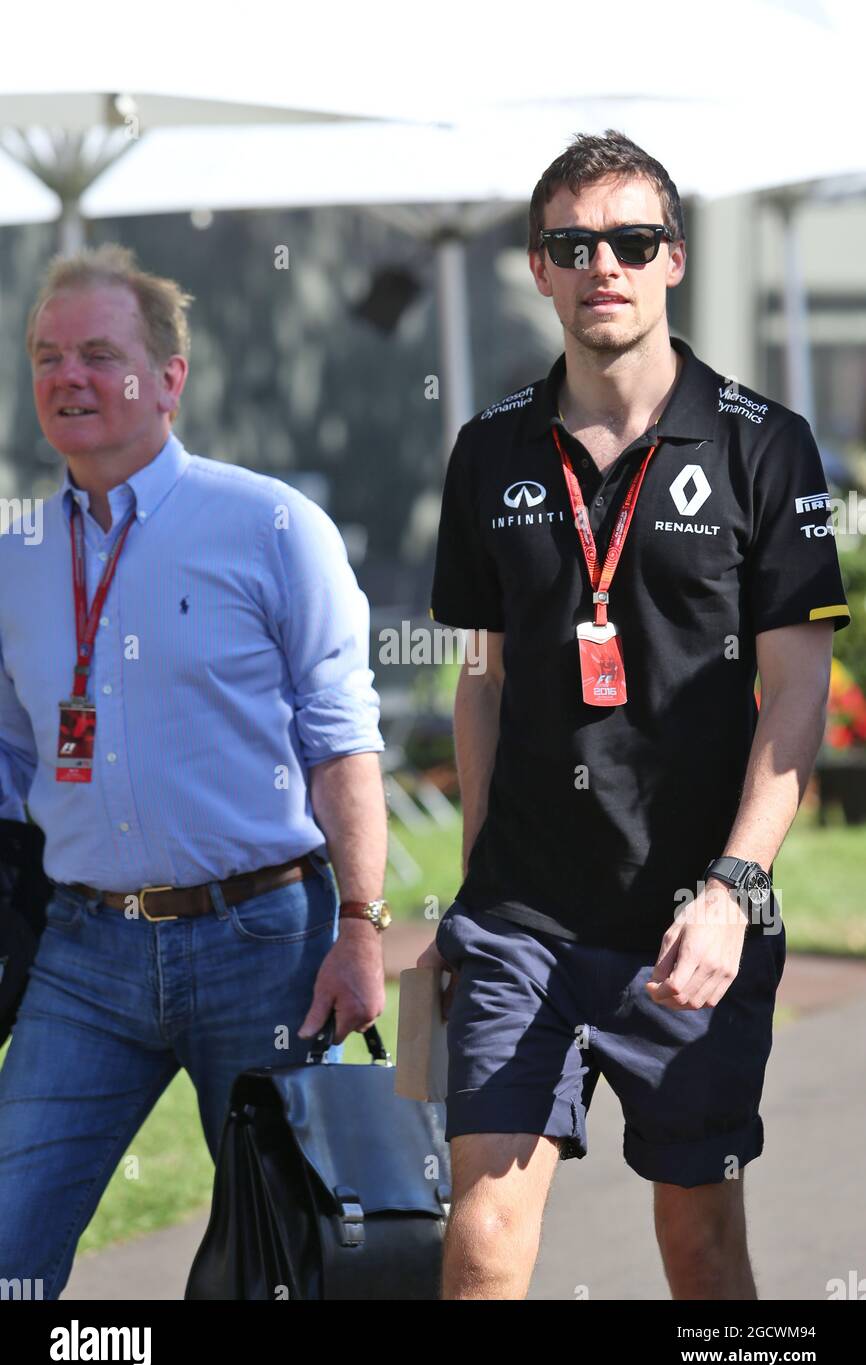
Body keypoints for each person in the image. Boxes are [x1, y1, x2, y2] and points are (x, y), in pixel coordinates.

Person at [420, 130, 850, 1300]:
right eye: (572, 243)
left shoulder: (765, 444)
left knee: (699, 1250)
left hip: (689, 922)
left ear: (670, 259)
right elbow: (484, 679)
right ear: (537, 268)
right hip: (524, 922)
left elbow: (794, 692)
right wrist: (470, 899)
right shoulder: (487, 451)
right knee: (480, 1241)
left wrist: (733, 890)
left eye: (629, 239)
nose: (599, 262)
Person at [0, 244, 391, 1300]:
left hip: (266, 942)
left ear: (169, 379)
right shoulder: (16, 553)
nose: (67, 377)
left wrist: (360, 923)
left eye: (97, 355)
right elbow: (10, 755)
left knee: (298, 1263)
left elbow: (341, 737)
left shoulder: (270, 528)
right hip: (84, 955)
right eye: (46, 356)